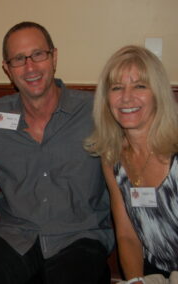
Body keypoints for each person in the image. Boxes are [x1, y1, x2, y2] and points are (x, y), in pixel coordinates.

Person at [0, 21, 114, 284]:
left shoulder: (95, 112)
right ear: (7, 69)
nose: (30, 67)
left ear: (54, 57)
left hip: (80, 238)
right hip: (14, 237)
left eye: (38, 54)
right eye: (19, 59)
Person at [85, 45, 178, 284]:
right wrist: (137, 280)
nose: (126, 97)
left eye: (139, 86)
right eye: (117, 88)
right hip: (154, 272)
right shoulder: (111, 157)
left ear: (158, 93)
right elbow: (127, 235)